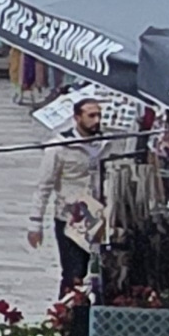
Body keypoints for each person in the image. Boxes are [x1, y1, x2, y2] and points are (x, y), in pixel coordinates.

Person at [28, 96, 118, 293]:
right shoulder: (58, 147)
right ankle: (68, 309)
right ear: (77, 117)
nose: (96, 120)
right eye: (91, 116)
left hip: (102, 218)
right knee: (74, 273)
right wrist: (35, 223)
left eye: (99, 115)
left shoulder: (107, 143)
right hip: (71, 219)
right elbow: (44, 186)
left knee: (105, 273)